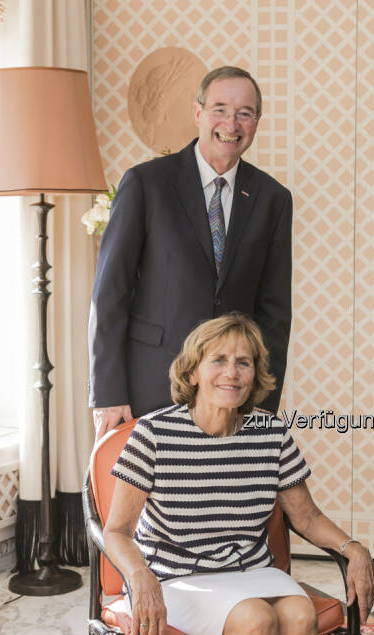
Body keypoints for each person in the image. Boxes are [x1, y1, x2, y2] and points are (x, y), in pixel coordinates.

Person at [102, 313, 374, 635]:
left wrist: (353, 547)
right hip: (176, 578)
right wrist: (140, 575)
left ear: (254, 375)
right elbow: (116, 530)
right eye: (218, 360)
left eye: (243, 363)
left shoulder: (271, 432)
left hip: (252, 571)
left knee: (300, 615)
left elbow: (307, 516)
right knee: (257, 620)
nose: (232, 372)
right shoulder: (154, 434)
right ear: (193, 372)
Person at [89, 66, 291, 442]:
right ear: (198, 113)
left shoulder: (273, 199)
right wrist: (108, 393)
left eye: (244, 113)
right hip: (150, 388)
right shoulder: (146, 184)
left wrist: (265, 401)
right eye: (220, 109)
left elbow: (275, 311)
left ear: (257, 122)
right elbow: (109, 295)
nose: (231, 123)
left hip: (235, 397)